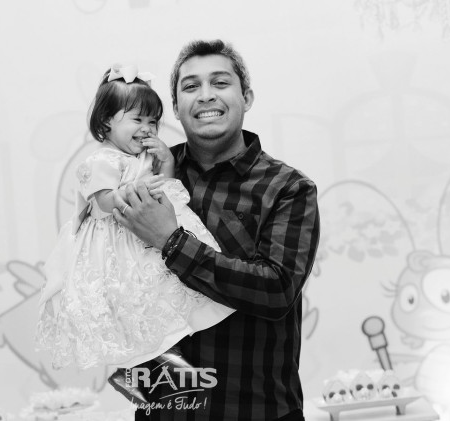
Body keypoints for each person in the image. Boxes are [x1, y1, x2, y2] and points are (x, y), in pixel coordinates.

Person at [112, 40, 320, 420]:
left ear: (247, 97)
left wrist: (170, 241)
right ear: (176, 107)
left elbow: (276, 290)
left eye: (220, 83)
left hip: (257, 410)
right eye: (191, 86)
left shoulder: (287, 188)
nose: (205, 95)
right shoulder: (144, 174)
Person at [35, 64, 234, 404]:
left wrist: (166, 163)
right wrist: (128, 192)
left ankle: (181, 351)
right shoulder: (101, 161)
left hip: (151, 234)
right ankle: (151, 371)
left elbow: (167, 186)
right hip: (119, 239)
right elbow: (102, 201)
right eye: (137, 119)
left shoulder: (144, 158)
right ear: (106, 123)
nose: (147, 128)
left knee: (167, 292)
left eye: (153, 121)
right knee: (131, 297)